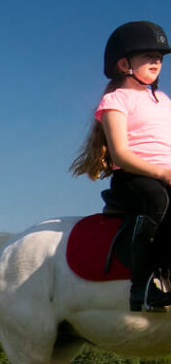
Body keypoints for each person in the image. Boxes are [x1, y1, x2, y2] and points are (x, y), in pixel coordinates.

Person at [71, 20, 171, 311]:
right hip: (134, 177)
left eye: (159, 57)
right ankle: (143, 286)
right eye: (148, 56)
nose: (156, 61)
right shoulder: (115, 100)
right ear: (124, 64)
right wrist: (162, 172)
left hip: (166, 174)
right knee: (158, 200)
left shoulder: (164, 100)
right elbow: (121, 154)